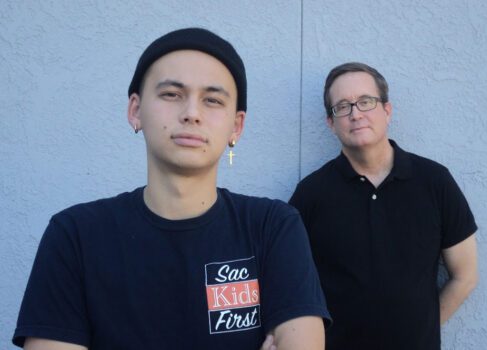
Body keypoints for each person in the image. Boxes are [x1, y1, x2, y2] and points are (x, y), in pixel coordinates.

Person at [13, 28, 330, 350]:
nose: (192, 113)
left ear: (236, 126)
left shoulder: (272, 226)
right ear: (135, 110)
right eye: (171, 94)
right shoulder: (75, 235)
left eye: (212, 100)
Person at [289, 62, 478, 350]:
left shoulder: (434, 181)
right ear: (331, 122)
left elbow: (465, 276)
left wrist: (421, 329)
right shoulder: (312, 193)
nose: (356, 114)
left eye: (366, 101)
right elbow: (290, 282)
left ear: (387, 110)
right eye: (342, 106)